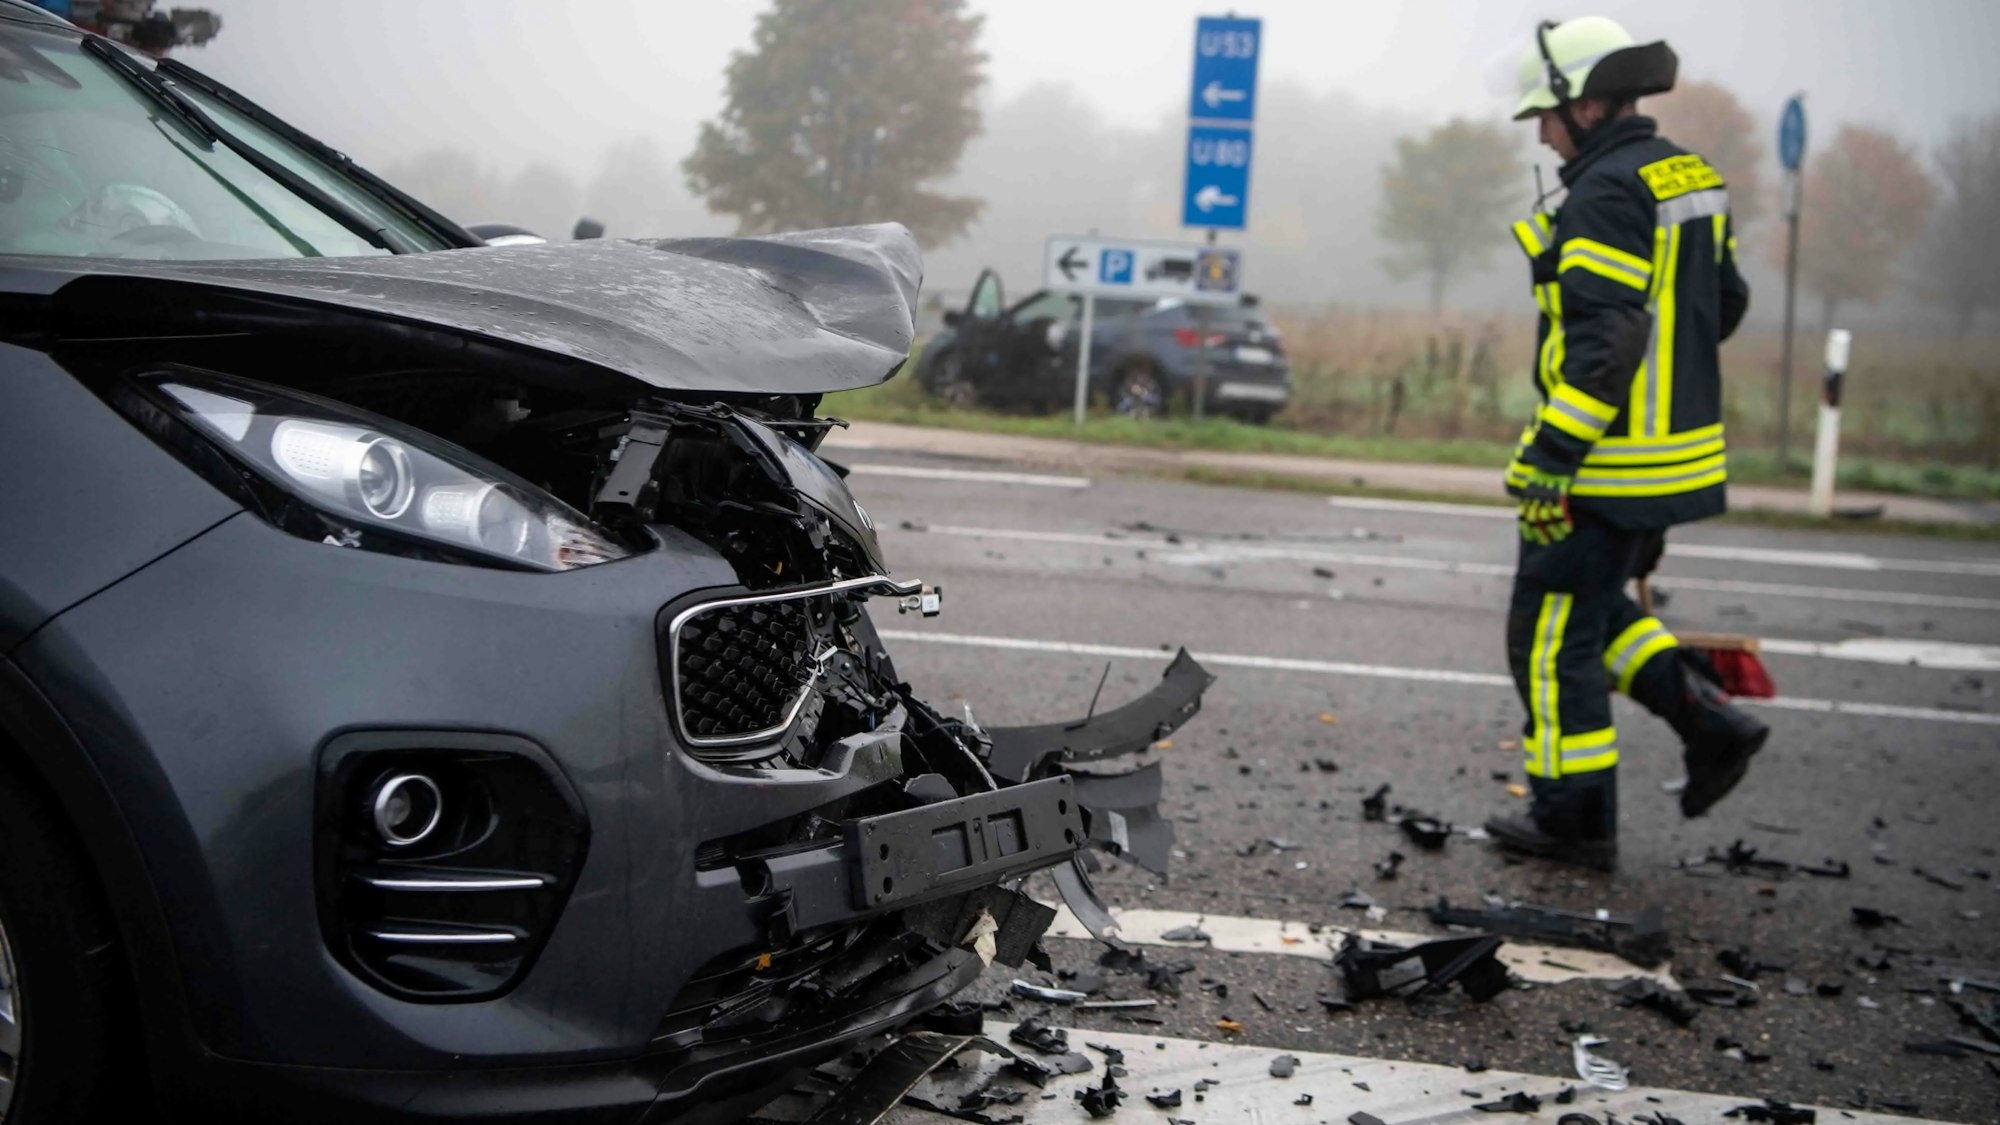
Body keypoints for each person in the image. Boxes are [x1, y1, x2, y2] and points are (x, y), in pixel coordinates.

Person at [1483, 16, 1769, 872]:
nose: (1540, 130)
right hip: (1670, 464)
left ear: (1591, 103)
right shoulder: (1688, 175)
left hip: (1605, 467)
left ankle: (1574, 820)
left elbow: (1603, 345)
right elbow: (1727, 307)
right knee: (1600, 611)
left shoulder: (1606, 192)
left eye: (1548, 114)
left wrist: (1550, 457)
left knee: (1546, 636)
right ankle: (1715, 723)